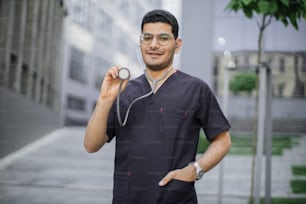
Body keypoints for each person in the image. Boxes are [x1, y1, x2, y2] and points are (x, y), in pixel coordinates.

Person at [84, 9, 231, 204]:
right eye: (147, 37)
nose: (153, 45)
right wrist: (104, 100)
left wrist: (195, 170)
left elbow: (223, 140)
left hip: (176, 198)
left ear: (177, 45)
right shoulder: (124, 91)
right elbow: (91, 145)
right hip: (127, 197)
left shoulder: (196, 89)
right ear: (140, 42)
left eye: (163, 38)